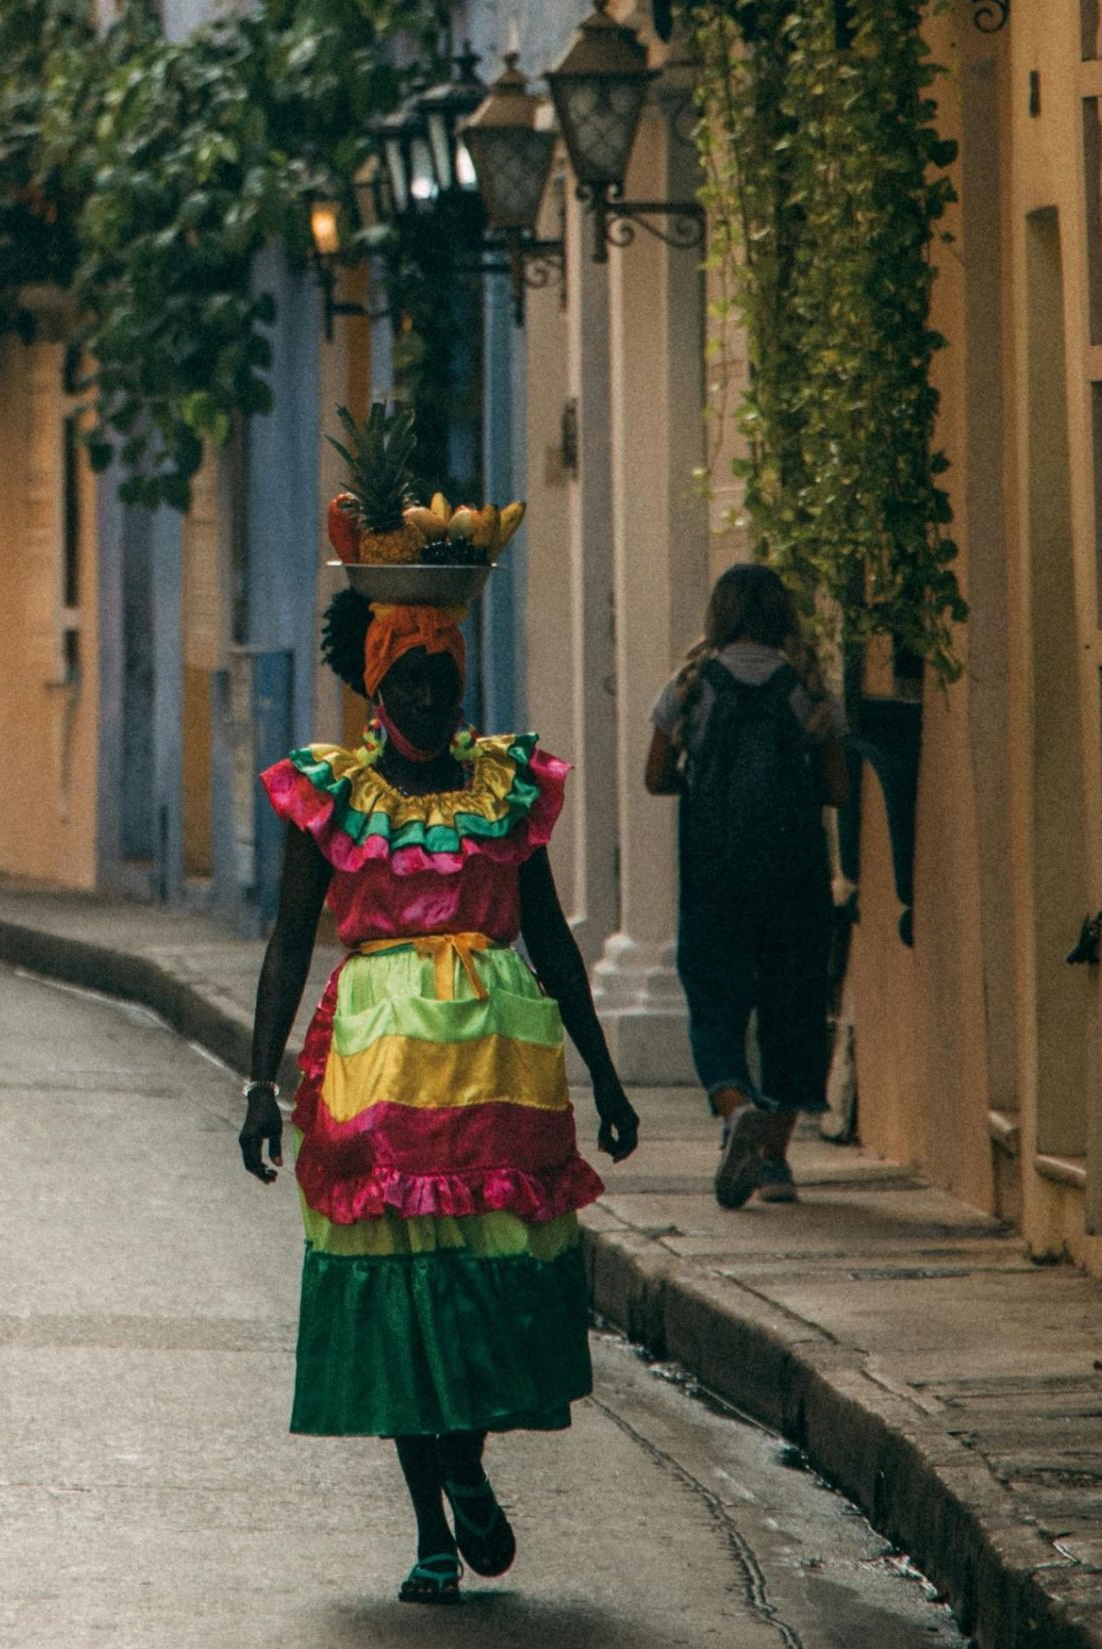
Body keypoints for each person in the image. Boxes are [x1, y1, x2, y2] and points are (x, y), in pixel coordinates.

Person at [241, 583, 640, 1607]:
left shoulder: (504, 789)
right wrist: (257, 1080)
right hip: (375, 1071)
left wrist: (603, 1070)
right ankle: (427, 1527)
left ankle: (466, 1459)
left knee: (486, 1279)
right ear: (375, 685)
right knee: (398, 1292)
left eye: (440, 675)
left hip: (500, 1072)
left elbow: (548, 935)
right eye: (404, 678)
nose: (424, 695)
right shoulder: (330, 793)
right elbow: (290, 940)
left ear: (463, 677)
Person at [643, 562, 849, 1209]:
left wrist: (702, 787)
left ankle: (735, 1110)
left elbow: (655, 775)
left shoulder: (691, 687)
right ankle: (776, 1162)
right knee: (792, 1001)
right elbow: (839, 789)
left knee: (715, 994)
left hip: (715, 873)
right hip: (794, 876)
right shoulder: (809, 690)